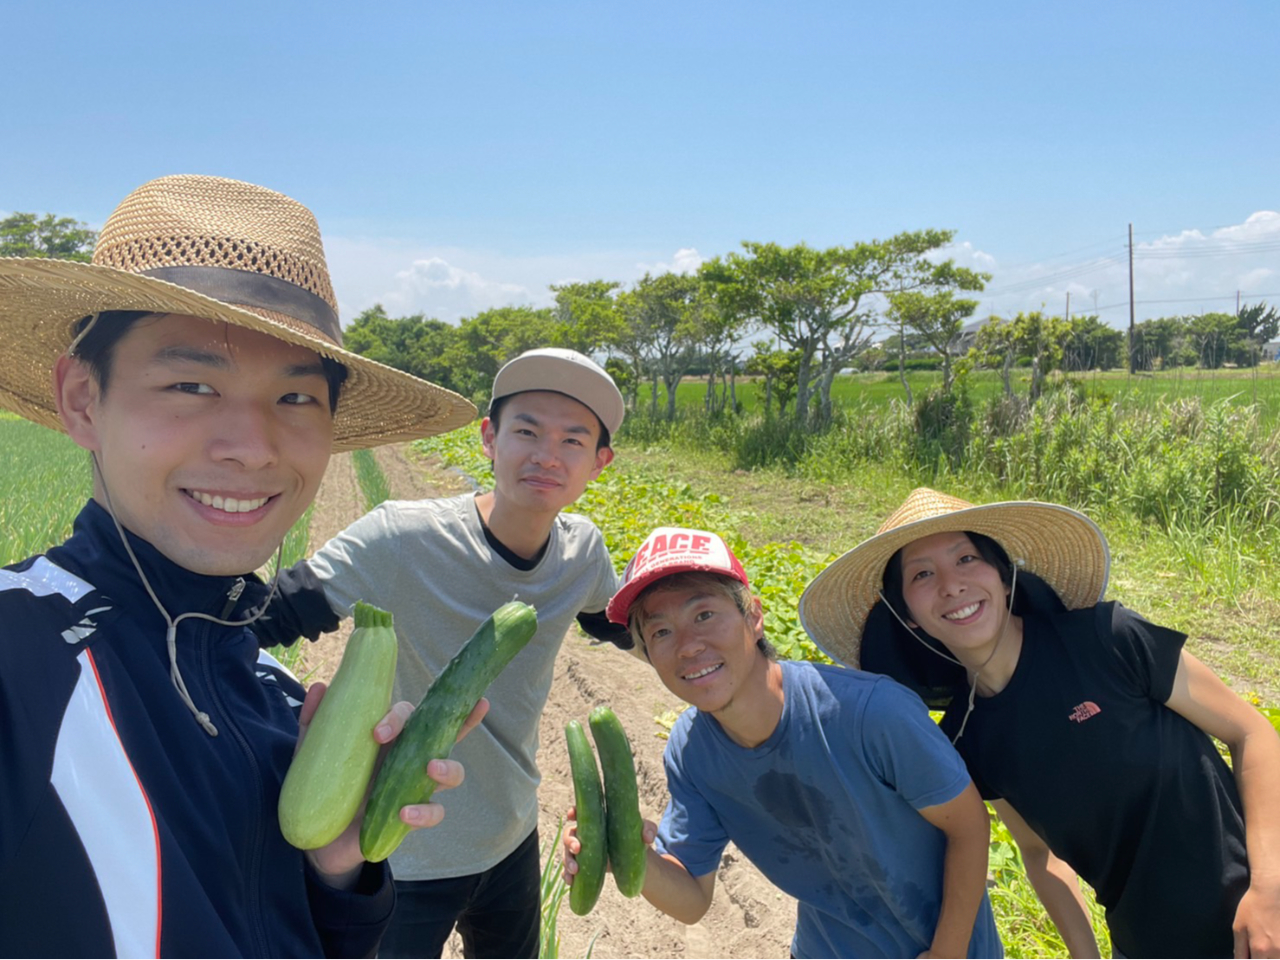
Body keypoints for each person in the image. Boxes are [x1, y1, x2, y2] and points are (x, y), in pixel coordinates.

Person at [0, 174, 483, 957]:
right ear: (83, 399)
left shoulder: (275, 701)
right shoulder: (18, 656)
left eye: (295, 400)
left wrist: (339, 874)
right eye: (191, 385)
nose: (253, 447)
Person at [250, 347, 632, 958]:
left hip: (511, 837)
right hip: (401, 848)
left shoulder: (583, 553)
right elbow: (265, 616)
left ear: (599, 463)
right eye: (526, 431)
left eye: (572, 441)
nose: (545, 455)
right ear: (489, 438)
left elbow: (624, 628)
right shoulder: (402, 536)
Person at [798, 487, 1280, 959]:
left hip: (1260, 912)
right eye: (922, 574)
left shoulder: (1105, 640)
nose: (951, 584)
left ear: (1004, 575)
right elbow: (1037, 853)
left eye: (966, 559)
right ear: (909, 616)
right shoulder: (967, 743)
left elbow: (1253, 733)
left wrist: (1267, 892)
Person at [563, 526, 1003, 959]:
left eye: (704, 615)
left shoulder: (868, 713)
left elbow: (967, 826)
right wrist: (624, 854)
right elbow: (692, 898)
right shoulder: (692, 750)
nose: (688, 646)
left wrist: (948, 952)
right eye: (660, 633)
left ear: (754, 617)